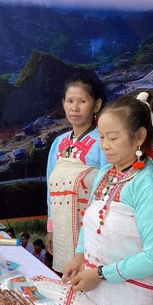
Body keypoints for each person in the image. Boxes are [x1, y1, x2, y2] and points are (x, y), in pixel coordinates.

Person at [63, 92, 153, 305]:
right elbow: (91, 220)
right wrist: (80, 256)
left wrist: (101, 274)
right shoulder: (106, 174)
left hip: (137, 302)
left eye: (113, 138)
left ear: (139, 137)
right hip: (98, 290)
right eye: (102, 137)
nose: (104, 145)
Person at [46, 74, 108, 273]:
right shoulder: (58, 143)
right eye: (70, 101)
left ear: (96, 105)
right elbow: (50, 187)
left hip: (91, 227)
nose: (75, 107)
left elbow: (107, 187)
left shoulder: (103, 142)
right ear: (63, 103)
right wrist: (51, 228)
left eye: (82, 101)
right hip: (62, 226)